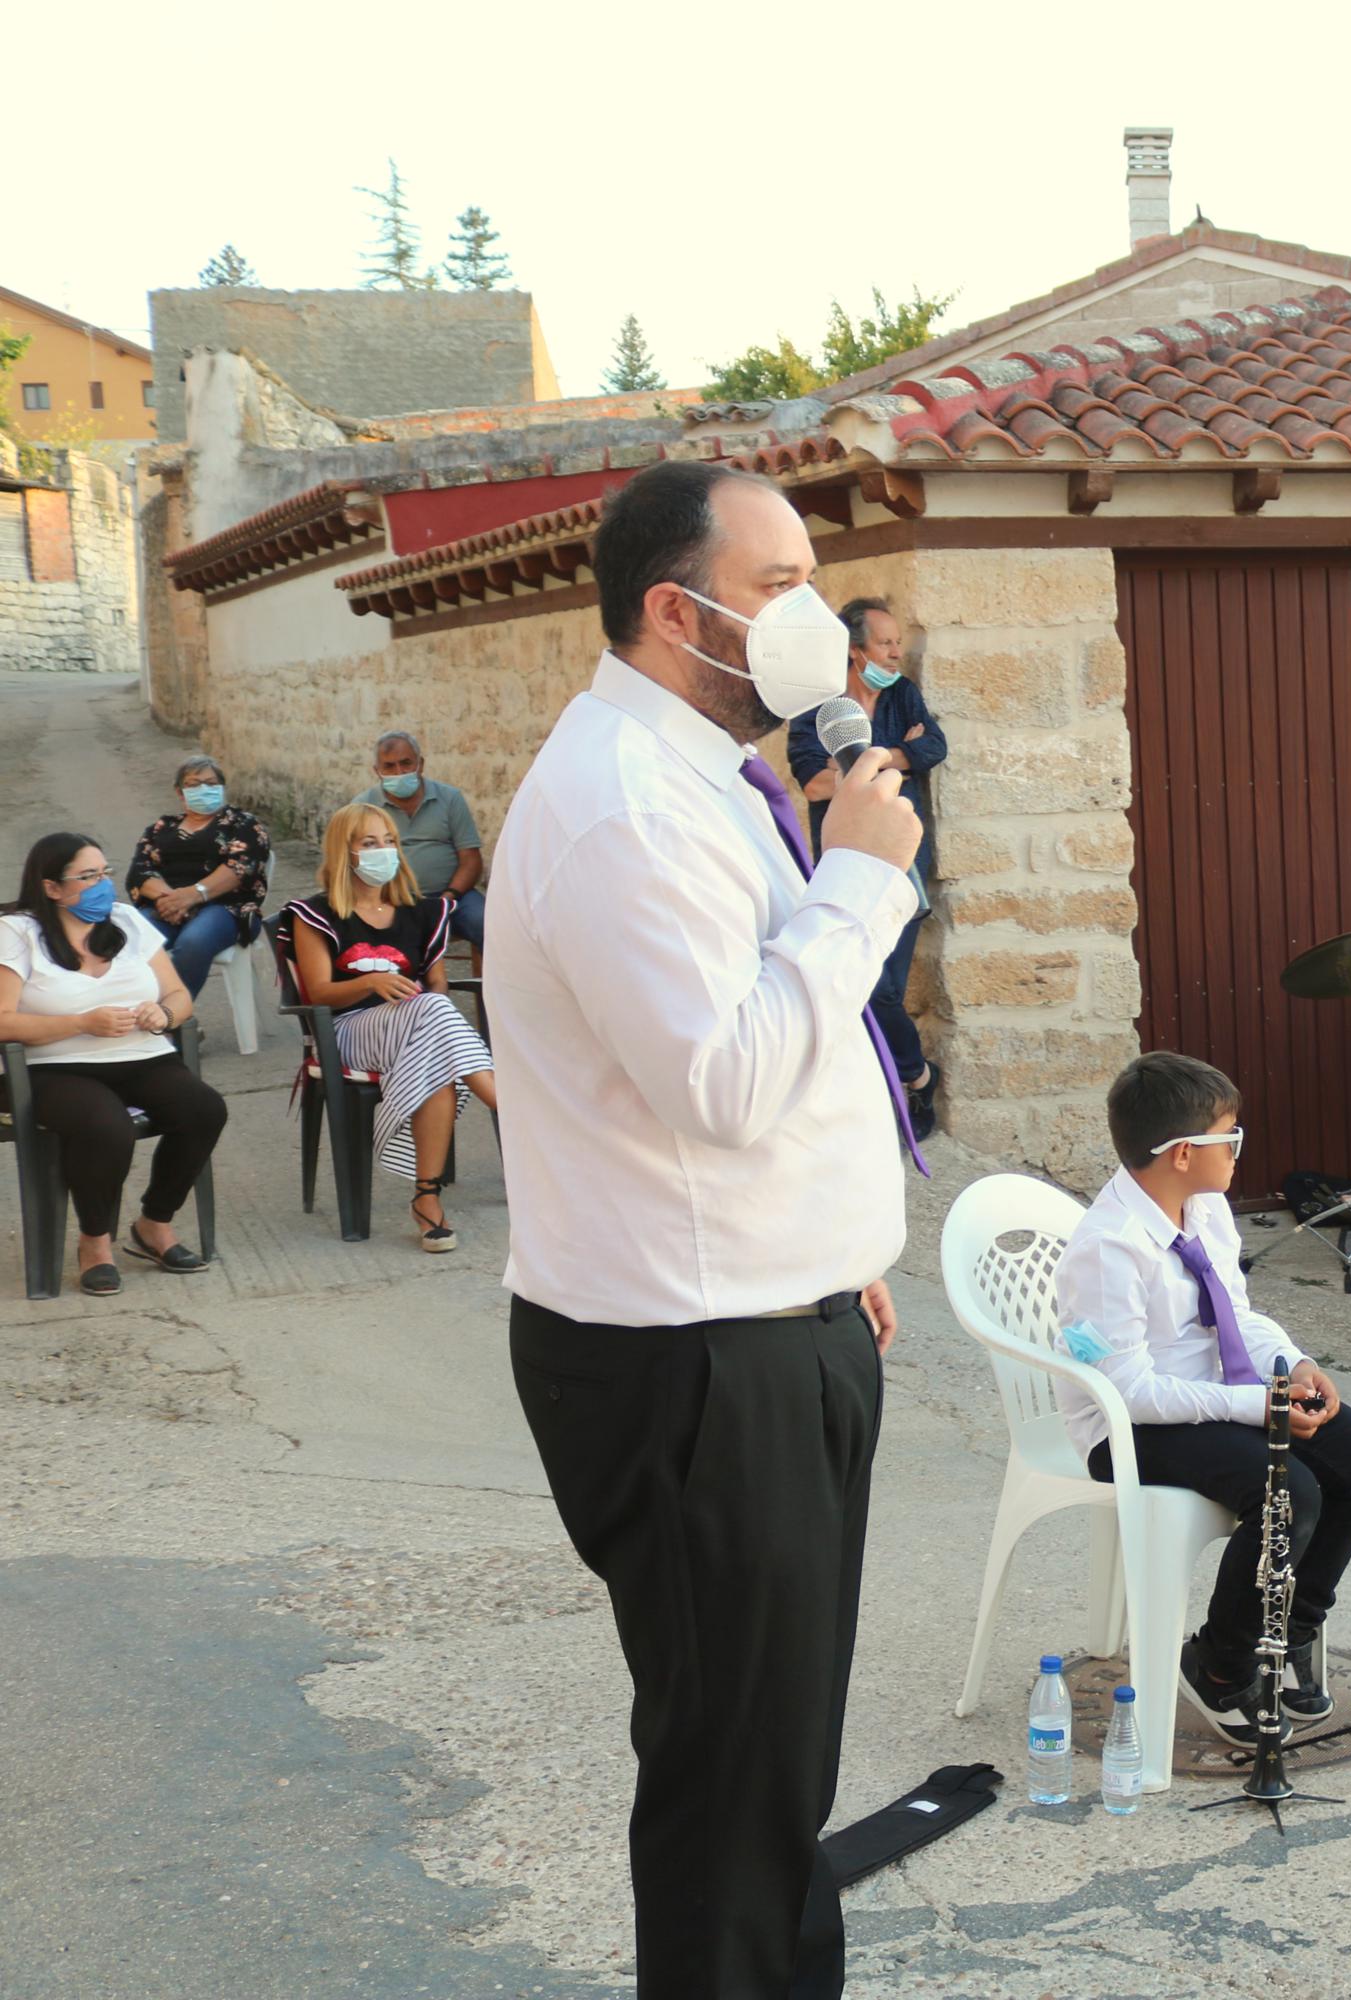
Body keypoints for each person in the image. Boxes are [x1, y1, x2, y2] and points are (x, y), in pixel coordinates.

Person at [487, 458, 924, 1999]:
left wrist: (826, 1258)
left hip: (768, 1315)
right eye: (778, 586)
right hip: (694, 1364)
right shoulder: (621, 811)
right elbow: (724, 1079)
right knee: (730, 1790)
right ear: (679, 613)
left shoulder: (700, 777)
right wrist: (862, 887)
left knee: (772, 1768)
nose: (818, 622)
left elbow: (750, 1060)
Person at [1054, 1051, 1351, 1738]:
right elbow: (1128, 1392)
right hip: (1128, 1427)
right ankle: (1219, 1665)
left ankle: (1293, 1622)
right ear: (1184, 1152)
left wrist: (1292, 1363)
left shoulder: (1205, 1208)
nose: (1241, 1149)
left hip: (1217, 1391)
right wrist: (1257, 1408)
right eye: (1230, 1136)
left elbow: (1236, 1314)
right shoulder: (1109, 1249)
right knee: (1289, 1489)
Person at [0, 833, 225, 1295]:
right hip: (54, 1068)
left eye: (105, 872)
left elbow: (178, 995)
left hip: (142, 1056)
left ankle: (154, 1225)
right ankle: (95, 1242)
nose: (103, 885)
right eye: (87, 877)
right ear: (51, 888)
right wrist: (80, 1023)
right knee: (107, 1127)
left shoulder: (125, 919)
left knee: (204, 1110)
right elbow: (3, 1021)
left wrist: (163, 1015)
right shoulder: (17, 931)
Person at [283, 805, 500, 1253]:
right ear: (345, 852)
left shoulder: (421, 912)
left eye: (389, 842)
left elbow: (435, 983)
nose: (383, 851)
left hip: (414, 1030)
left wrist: (421, 998)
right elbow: (320, 992)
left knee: (434, 1035)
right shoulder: (315, 914)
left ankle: (427, 1199)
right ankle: (511, 1105)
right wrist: (369, 981)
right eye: (368, 843)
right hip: (349, 1032)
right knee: (433, 1014)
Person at [789, 597, 947, 1139]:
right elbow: (813, 782)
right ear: (856, 653)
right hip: (843, 865)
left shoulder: (903, 694)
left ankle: (902, 1091)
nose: (896, 653)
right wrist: (893, 756)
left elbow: (934, 748)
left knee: (881, 990)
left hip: (903, 865)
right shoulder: (818, 707)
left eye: (897, 643)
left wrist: (863, 763)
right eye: (885, 644)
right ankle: (918, 1079)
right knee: (859, 990)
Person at [126, 755, 271, 1003]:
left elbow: (240, 868)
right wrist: (172, 900)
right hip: (166, 907)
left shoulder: (243, 824)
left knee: (194, 941)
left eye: (211, 783)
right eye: (194, 784)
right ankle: (139, 1013)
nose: (204, 789)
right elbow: (140, 872)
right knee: (127, 939)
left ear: (222, 787)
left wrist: (193, 896)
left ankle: (174, 1019)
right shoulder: (161, 828)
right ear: (180, 792)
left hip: (226, 908)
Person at [356, 732, 487, 953]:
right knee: (386, 940)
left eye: (406, 763)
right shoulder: (364, 807)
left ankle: (491, 987)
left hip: (453, 897)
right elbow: (355, 864)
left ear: (421, 764)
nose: (399, 773)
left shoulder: (449, 798)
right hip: (392, 900)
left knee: (489, 925)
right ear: (377, 771)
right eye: (389, 766)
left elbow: (471, 859)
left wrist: (448, 896)